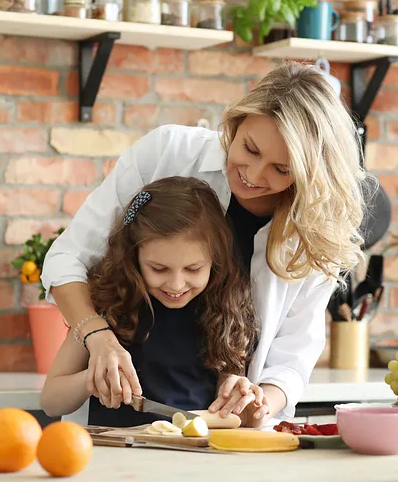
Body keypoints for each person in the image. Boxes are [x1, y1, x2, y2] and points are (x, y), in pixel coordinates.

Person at [40, 61, 371, 427]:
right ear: (237, 122)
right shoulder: (169, 152)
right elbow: (67, 258)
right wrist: (97, 337)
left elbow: (292, 360)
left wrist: (258, 400)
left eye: (282, 169)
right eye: (250, 149)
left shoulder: (313, 231)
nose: (254, 176)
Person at [40, 177, 261, 426]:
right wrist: (93, 379)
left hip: (195, 457)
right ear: (134, 257)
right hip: (119, 457)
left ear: (216, 260)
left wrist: (241, 396)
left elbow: (234, 411)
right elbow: (51, 401)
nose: (176, 285)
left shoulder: (225, 314)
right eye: (159, 269)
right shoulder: (108, 305)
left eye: (193, 269)